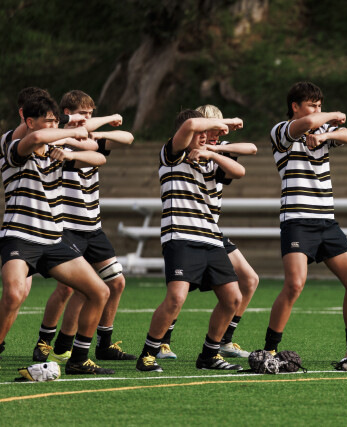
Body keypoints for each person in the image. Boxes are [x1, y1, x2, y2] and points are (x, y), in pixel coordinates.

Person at [0, 95, 115, 374]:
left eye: (55, 121)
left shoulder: (57, 153)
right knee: (14, 295)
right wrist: (71, 131)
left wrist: (71, 153)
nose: (53, 126)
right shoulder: (15, 149)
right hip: (20, 236)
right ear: (29, 122)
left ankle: (78, 359)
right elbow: (37, 137)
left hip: (53, 239)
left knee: (100, 291)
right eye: (48, 121)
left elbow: (99, 157)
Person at [136, 109, 246, 372]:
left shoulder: (208, 160)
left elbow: (239, 171)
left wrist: (213, 153)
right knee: (176, 297)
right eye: (200, 133)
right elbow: (190, 124)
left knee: (233, 299)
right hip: (180, 236)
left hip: (211, 238)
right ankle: (148, 354)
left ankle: (209, 356)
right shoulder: (172, 154)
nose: (204, 136)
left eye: (206, 133)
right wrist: (225, 122)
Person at [265, 81, 347, 360]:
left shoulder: (321, 131)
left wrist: (326, 136)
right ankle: (270, 350)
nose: (317, 110)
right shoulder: (282, 131)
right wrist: (331, 115)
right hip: (297, 220)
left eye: (320, 105)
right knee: (294, 285)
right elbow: (310, 122)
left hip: (326, 221)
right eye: (312, 105)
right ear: (295, 106)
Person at [32, 90, 136, 364]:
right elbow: (72, 136)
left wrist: (98, 132)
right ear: (66, 115)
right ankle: (47, 342)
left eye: (91, 113)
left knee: (117, 282)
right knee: (68, 289)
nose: (88, 118)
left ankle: (103, 344)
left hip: (93, 227)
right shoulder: (58, 139)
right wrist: (97, 124)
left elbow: (128, 137)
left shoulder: (90, 141)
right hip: (67, 227)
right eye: (82, 114)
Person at [156, 104, 259, 360]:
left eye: (218, 129)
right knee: (181, 290)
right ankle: (161, 342)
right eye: (211, 128)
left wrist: (215, 151)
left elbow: (251, 150)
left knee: (249, 280)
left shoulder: (217, 151)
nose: (215, 133)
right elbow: (191, 128)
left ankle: (224, 340)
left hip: (211, 231)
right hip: (187, 230)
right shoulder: (180, 150)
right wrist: (220, 132)